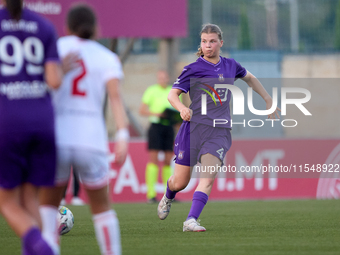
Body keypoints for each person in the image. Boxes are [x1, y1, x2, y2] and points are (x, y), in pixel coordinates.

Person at [157, 24, 280, 232]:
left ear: (220, 43)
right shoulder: (193, 68)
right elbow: (172, 94)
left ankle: (191, 220)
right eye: (204, 41)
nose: (208, 45)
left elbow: (249, 78)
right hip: (193, 130)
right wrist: (181, 108)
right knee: (180, 182)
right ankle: (168, 195)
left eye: (212, 41)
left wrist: (268, 99)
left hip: (219, 132)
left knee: (208, 176)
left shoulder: (231, 65)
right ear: (201, 44)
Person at [39, 4, 129, 255]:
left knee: (48, 210)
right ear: (96, 29)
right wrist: (122, 135)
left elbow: (44, 86)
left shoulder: (56, 47)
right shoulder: (107, 57)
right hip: (91, 139)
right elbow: (115, 98)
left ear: (66, 28)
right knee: (102, 209)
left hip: (56, 138)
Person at [0, 0, 62, 254]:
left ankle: (43, 249)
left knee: (7, 203)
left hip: (7, 121)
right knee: (29, 200)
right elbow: (54, 80)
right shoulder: (44, 26)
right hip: (42, 121)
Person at [139, 70, 175, 203]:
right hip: (156, 127)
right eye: (160, 77)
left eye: (164, 77)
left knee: (167, 160)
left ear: (167, 78)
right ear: (157, 78)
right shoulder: (151, 90)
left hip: (169, 127)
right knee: (153, 160)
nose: (162, 79)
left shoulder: (174, 91)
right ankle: (151, 194)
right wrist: (157, 114)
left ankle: (169, 194)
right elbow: (142, 110)